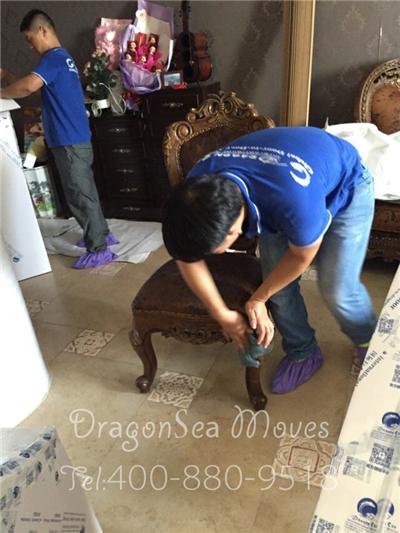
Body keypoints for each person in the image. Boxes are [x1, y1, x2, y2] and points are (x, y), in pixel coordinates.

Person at [162, 126, 377, 394]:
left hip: (346, 182)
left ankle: (368, 340)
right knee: (279, 290)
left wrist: (258, 299)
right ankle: (303, 352)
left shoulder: (294, 204)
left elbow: (301, 256)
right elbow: (187, 257)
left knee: (338, 289)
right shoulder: (196, 188)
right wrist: (222, 313)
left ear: (233, 232)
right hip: (282, 183)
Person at [0, 9, 119, 269]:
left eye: (30, 39)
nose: (30, 46)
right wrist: (6, 76)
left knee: (79, 195)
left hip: (68, 140)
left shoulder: (52, 58)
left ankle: (99, 248)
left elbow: (28, 87)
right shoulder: (63, 59)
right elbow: (33, 87)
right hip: (75, 138)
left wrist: (1, 92)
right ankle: (101, 232)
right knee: (86, 191)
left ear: (43, 30)